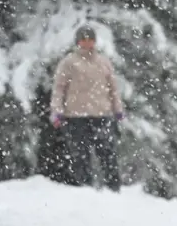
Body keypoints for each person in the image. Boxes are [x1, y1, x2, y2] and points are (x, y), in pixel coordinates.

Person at [50, 24, 125, 191]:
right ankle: (85, 190)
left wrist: (117, 109)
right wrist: (57, 111)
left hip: (102, 114)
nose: (87, 42)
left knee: (108, 154)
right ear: (78, 42)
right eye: (83, 39)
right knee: (80, 157)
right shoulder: (68, 62)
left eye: (90, 39)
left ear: (95, 41)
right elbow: (59, 88)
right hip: (75, 117)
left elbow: (113, 88)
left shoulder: (103, 62)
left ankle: (113, 189)